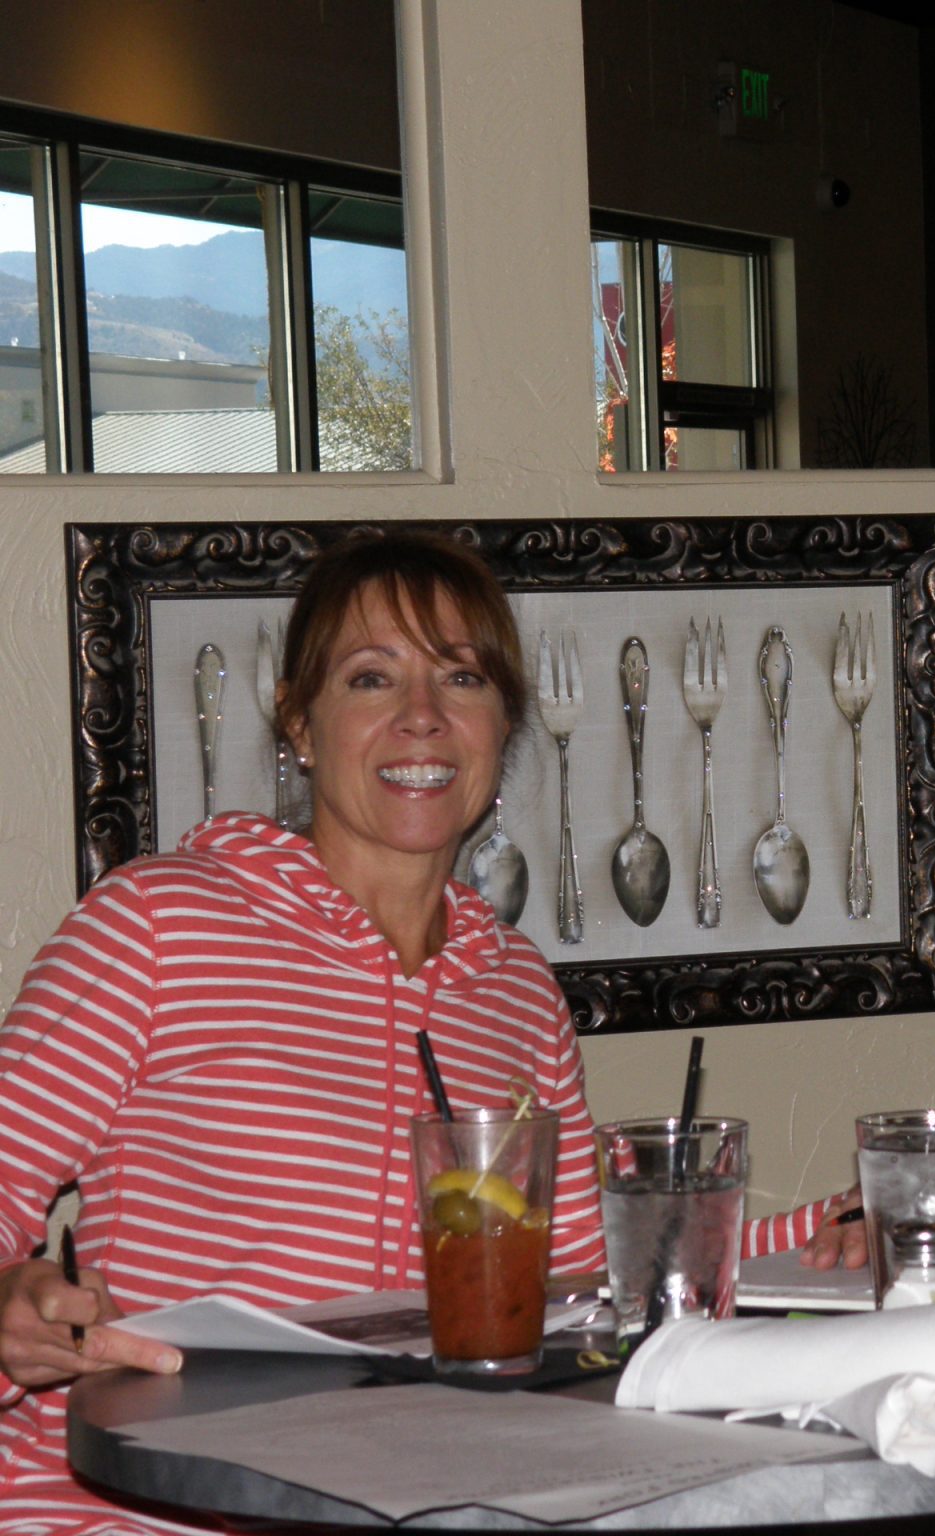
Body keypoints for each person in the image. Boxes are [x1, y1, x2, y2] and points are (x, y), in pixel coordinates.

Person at [0, 530, 605, 1532]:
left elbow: (576, 1285)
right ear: (300, 725)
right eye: (372, 678)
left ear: (502, 726)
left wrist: (813, 1238)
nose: (422, 714)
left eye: (462, 677)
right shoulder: (158, 925)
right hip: (123, 1513)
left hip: (400, 1504)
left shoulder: (518, 992)